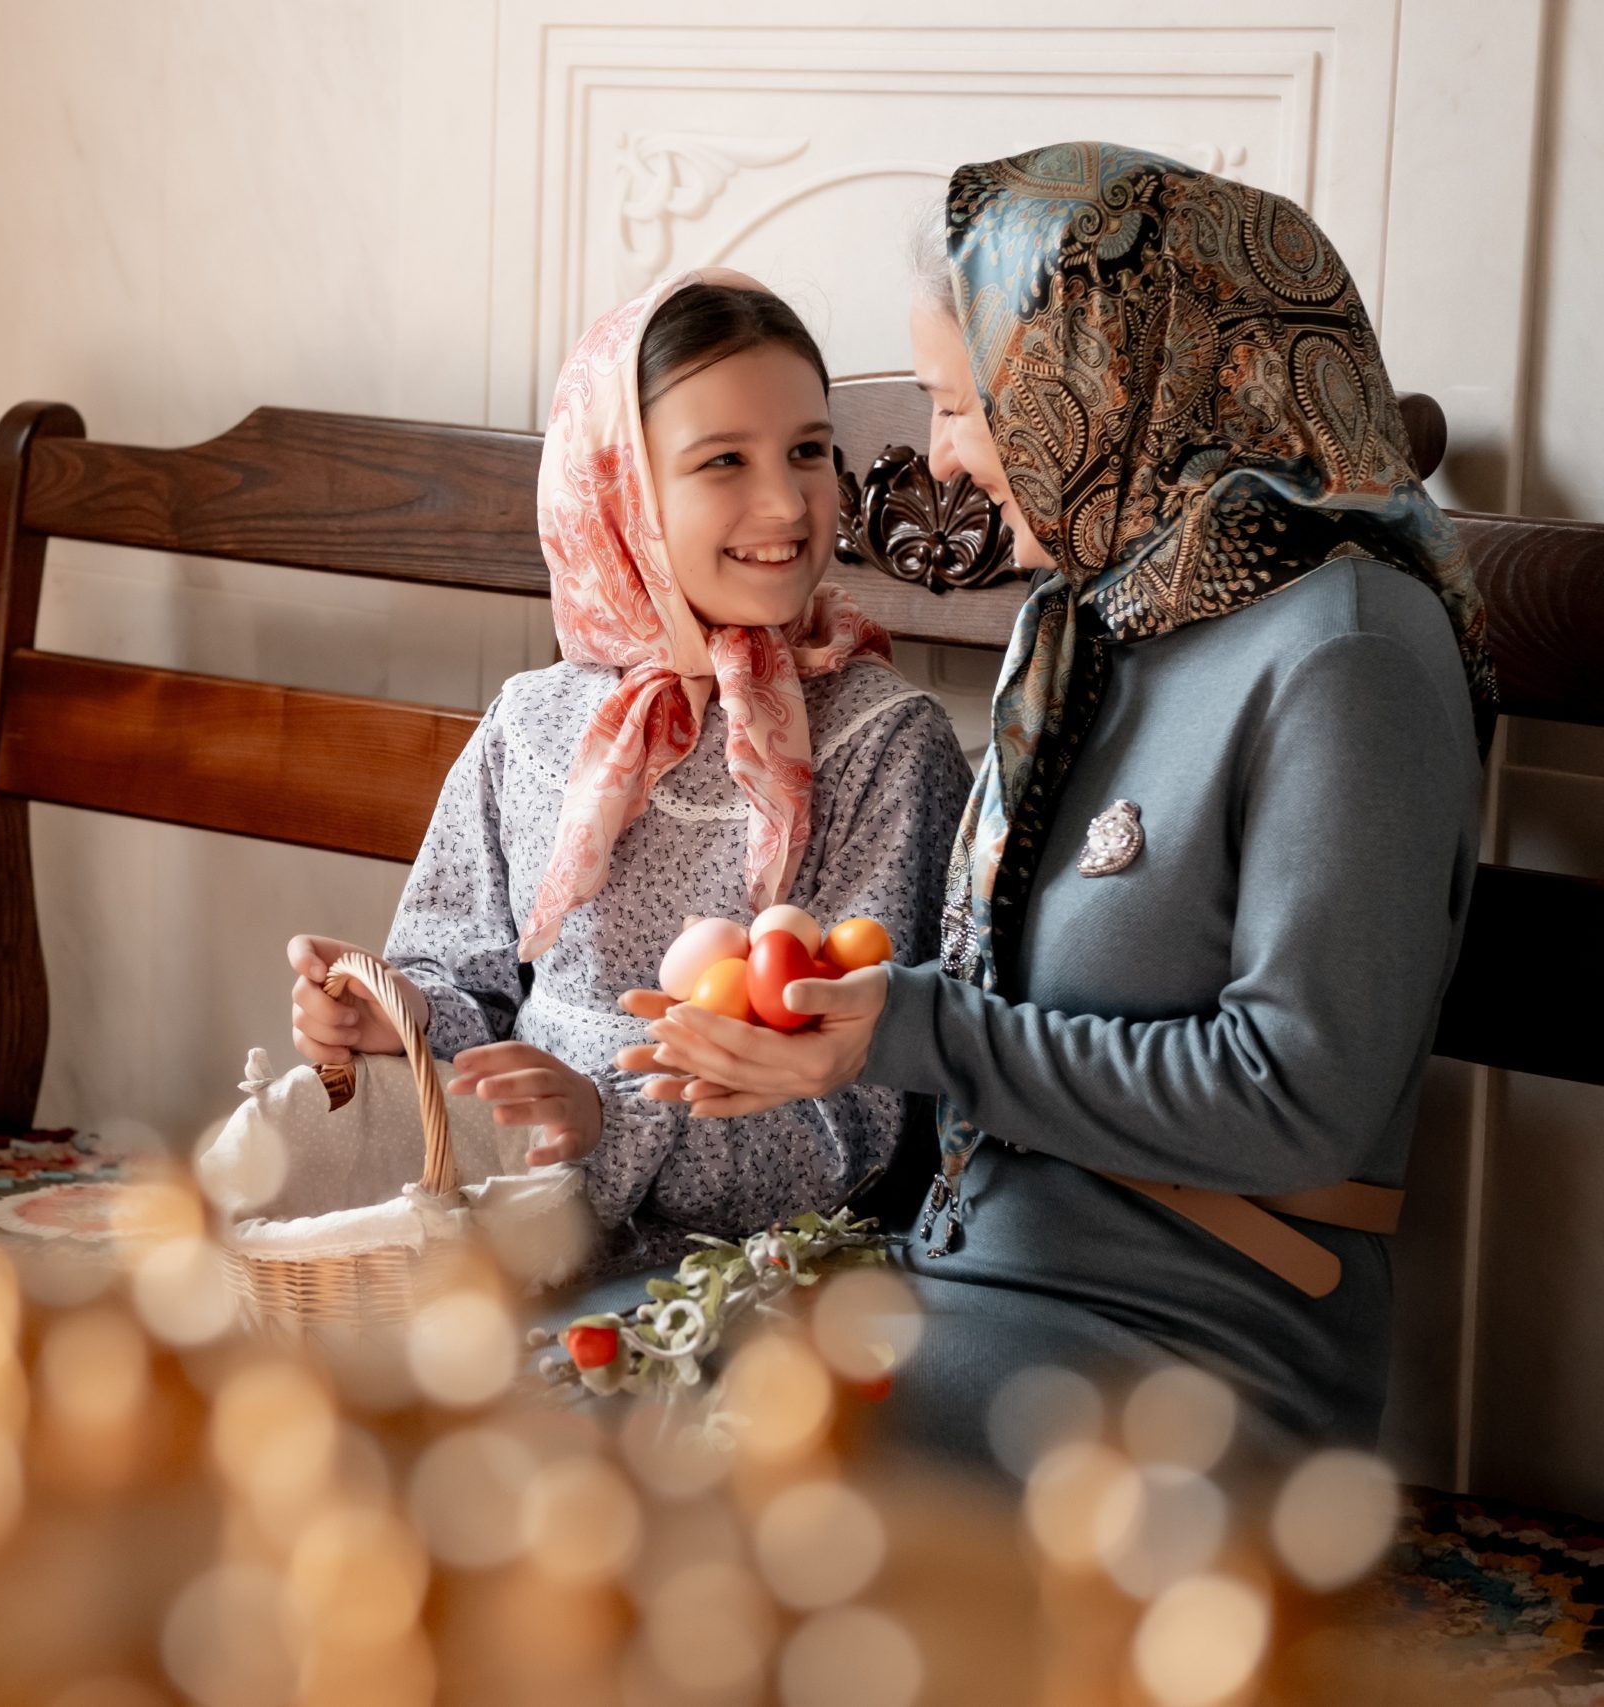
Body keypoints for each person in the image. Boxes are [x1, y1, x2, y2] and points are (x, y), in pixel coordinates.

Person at [622, 145, 1492, 1456]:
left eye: (961, 407)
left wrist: (912, 1028)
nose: (944, 460)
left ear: (1109, 380)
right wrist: (839, 1020)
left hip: (1194, 1362)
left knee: (690, 1477)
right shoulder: (1093, 620)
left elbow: (1298, 1099)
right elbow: (1014, 1008)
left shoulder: (1348, 654)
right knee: (565, 1406)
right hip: (971, 1293)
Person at [285, 268, 970, 1263]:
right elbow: (468, 982)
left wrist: (606, 1123)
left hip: (749, 1276)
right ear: (620, 489)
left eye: (808, 451)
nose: (786, 502)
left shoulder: (885, 746)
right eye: (724, 460)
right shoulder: (534, 725)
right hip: (502, 1231)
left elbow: (864, 1130)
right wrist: (399, 1015)